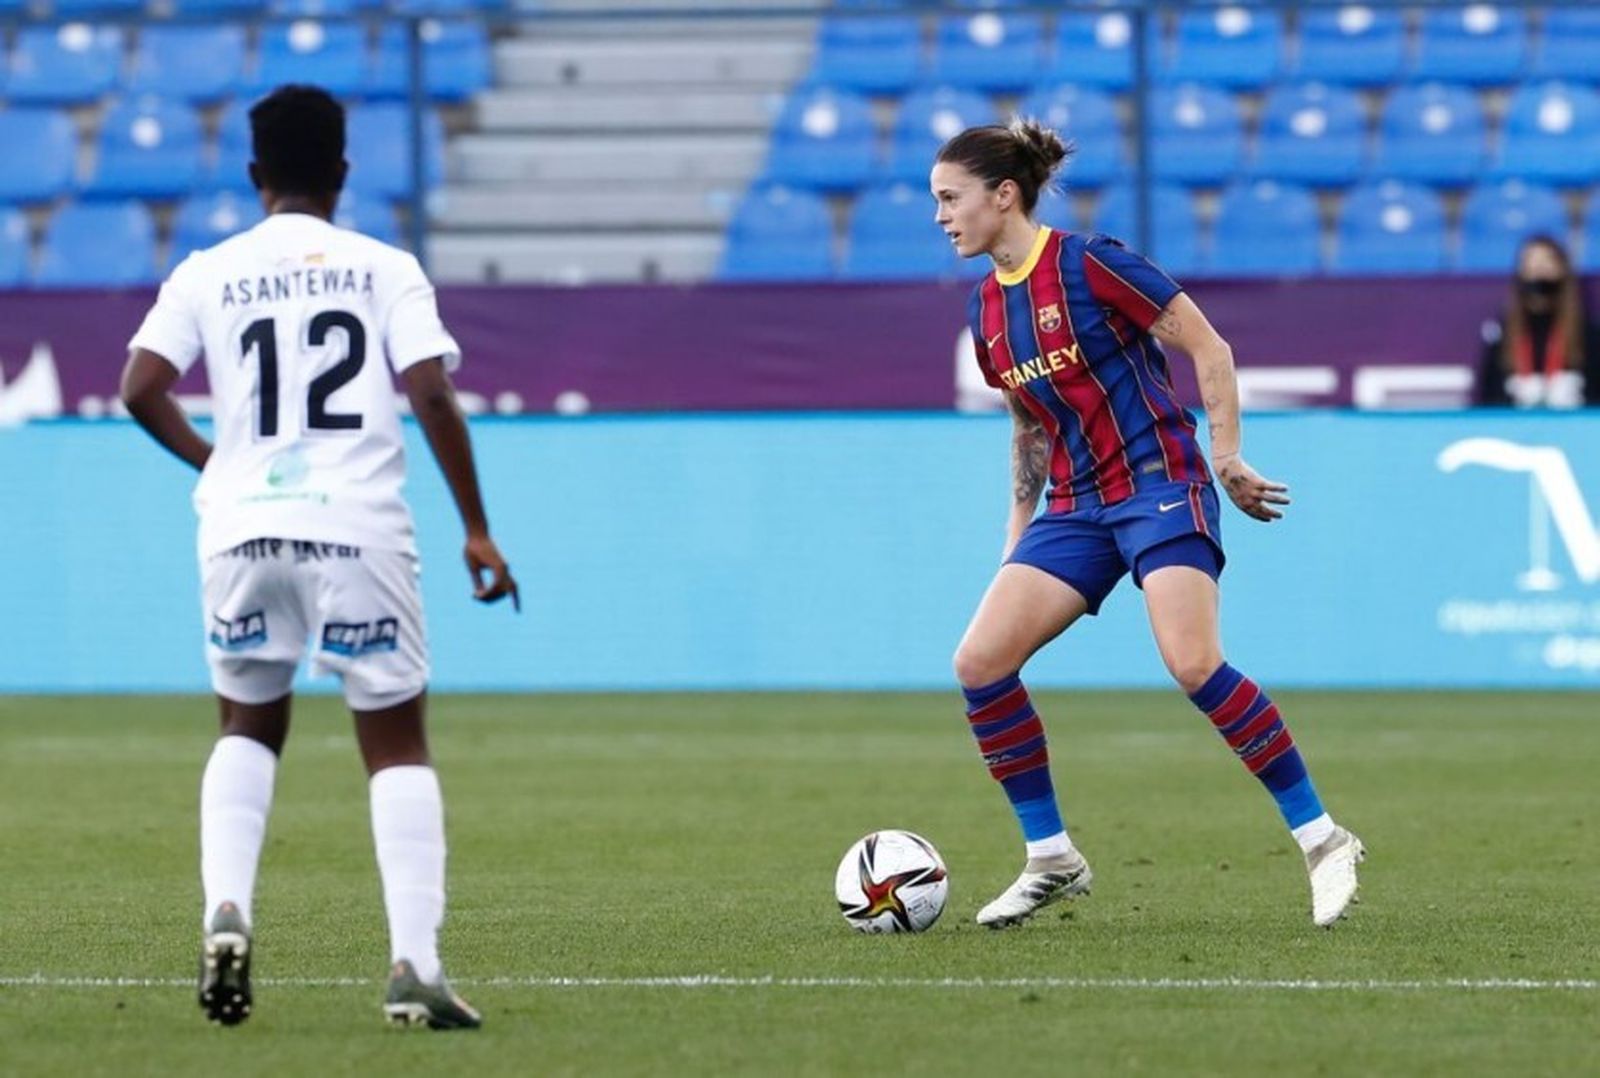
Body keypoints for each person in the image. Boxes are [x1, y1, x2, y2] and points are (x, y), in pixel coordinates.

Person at [119, 85, 518, 1028]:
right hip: (357, 526)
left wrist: (221, 462)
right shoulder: (384, 267)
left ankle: (227, 910)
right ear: (343, 171)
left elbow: (139, 386)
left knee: (246, 727)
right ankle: (414, 965)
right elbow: (429, 393)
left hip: (239, 529)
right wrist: (476, 525)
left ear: (254, 174)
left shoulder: (206, 271)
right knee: (394, 744)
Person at [931, 120, 1363, 930]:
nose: (941, 216)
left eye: (950, 199)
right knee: (980, 662)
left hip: (1159, 483)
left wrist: (1227, 455)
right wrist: (1016, 534)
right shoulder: (985, 308)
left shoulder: (1092, 264)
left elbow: (1210, 348)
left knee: (1194, 663)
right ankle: (1051, 856)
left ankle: (1322, 838)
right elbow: (1029, 427)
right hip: (1074, 505)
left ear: (1004, 195)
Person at [1476, 234, 1600, 408]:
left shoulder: (1587, 334)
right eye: (1531, 263)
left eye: (1547, 262)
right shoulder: (1502, 336)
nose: (1539, 268)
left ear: (1562, 271)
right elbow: (1486, 399)